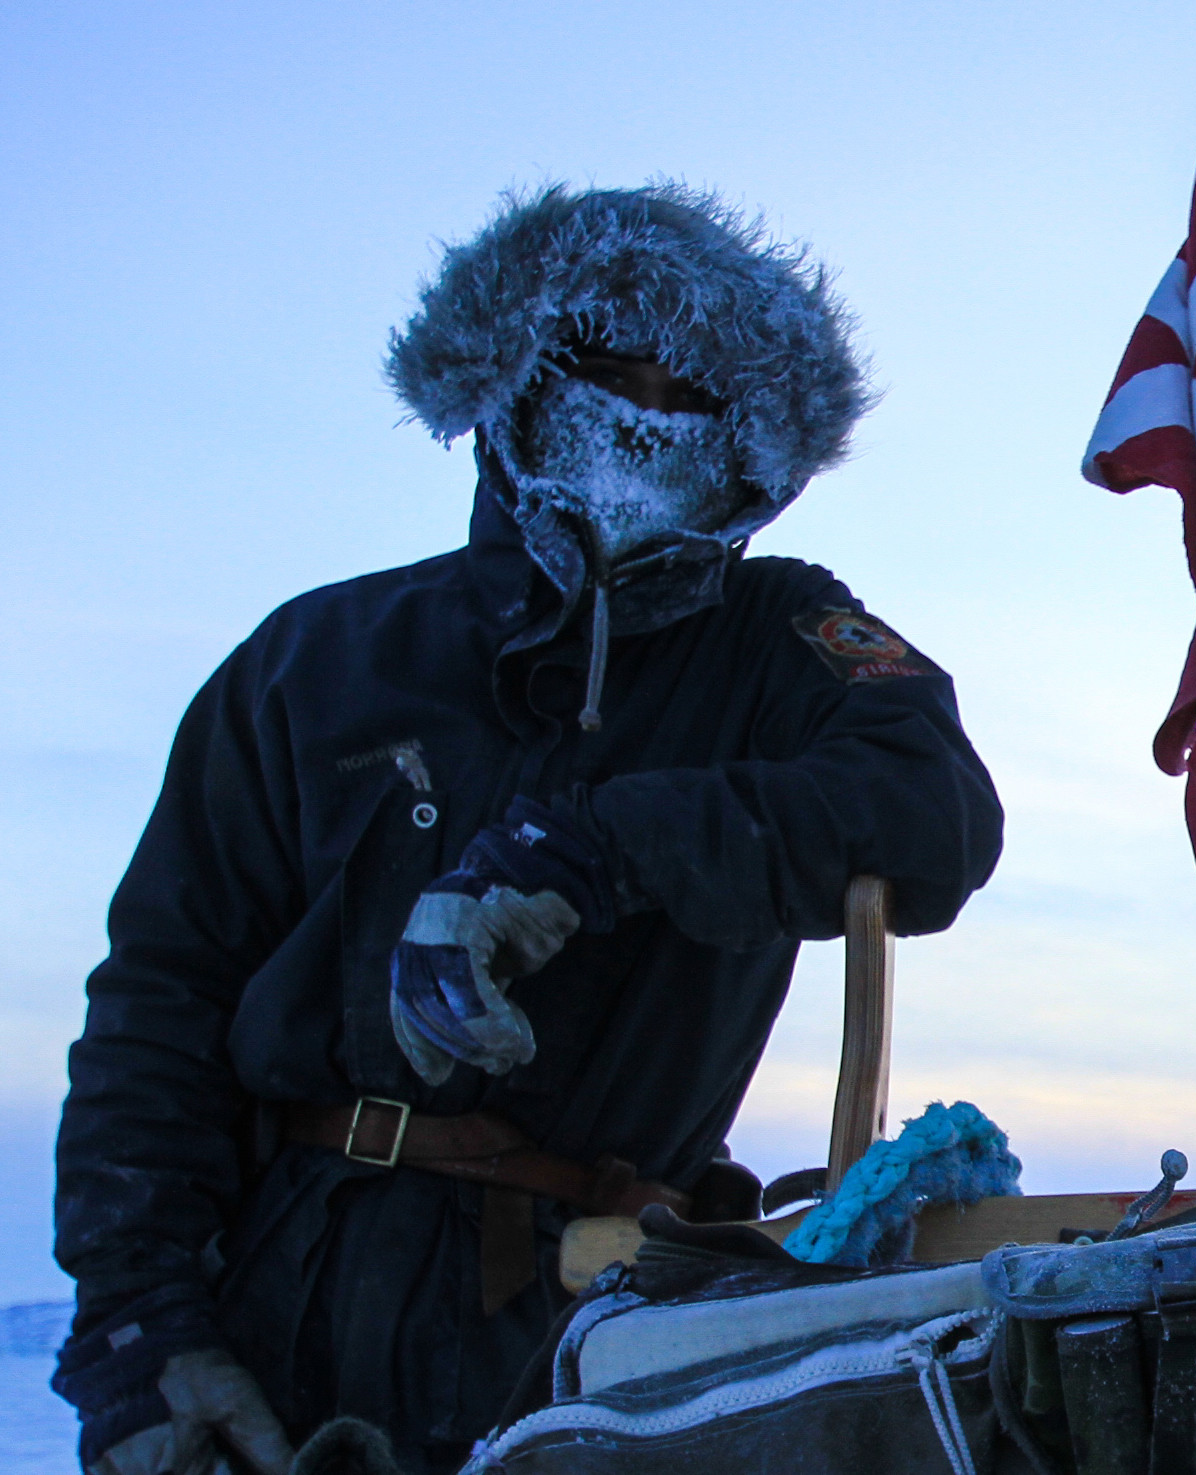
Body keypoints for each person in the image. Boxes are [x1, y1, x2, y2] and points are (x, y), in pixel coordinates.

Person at [52, 183, 1004, 1475]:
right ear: (510, 383)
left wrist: (598, 850)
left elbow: (936, 810)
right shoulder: (314, 661)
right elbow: (159, 1006)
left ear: (755, 442)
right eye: (605, 372)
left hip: (604, 1339)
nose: (643, 418)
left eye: (692, 398)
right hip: (272, 1315)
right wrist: (137, 1332)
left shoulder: (784, 642)